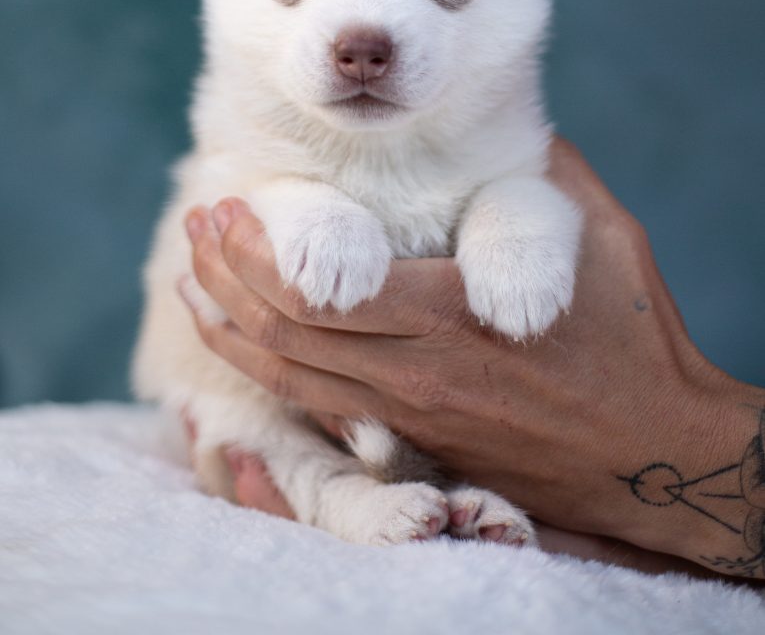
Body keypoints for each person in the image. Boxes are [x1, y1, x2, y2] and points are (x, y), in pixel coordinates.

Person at [179, 138, 765, 580]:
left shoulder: (490, 127)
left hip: (495, 438)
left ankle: (430, 489)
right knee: (251, 429)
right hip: (276, 412)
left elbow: (522, 188)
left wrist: (509, 224)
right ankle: (348, 498)